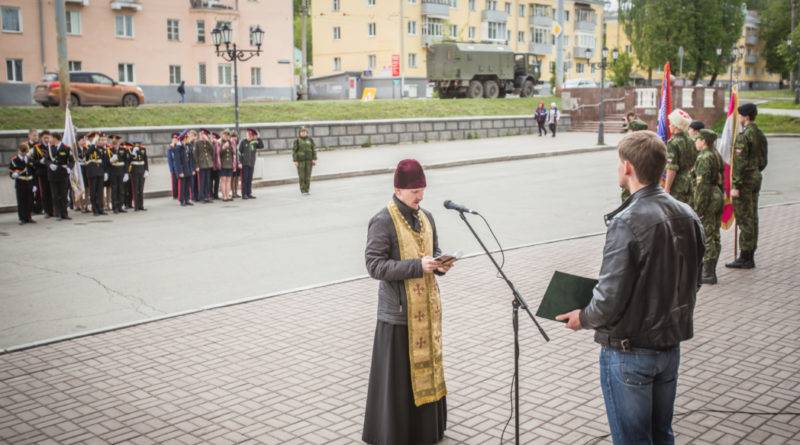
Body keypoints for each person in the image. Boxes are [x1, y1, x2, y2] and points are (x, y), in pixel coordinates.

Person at [556, 130, 704, 445]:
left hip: (630, 351)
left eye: (618, 162)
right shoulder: (688, 215)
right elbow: (693, 282)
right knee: (662, 435)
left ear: (628, 168)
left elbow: (609, 299)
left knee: (634, 440)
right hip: (669, 346)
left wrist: (582, 317)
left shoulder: (627, 221)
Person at [363, 159, 452, 445]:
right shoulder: (382, 220)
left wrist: (440, 264)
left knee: (429, 370)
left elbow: (432, 251)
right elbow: (375, 266)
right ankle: (396, 435)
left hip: (427, 311)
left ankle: (427, 431)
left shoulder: (426, 216)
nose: (420, 197)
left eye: (423, 190)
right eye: (415, 191)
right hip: (398, 316)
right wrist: (417, 266)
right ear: (398, 189)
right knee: (399, 383)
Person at [726, 103, 768, 269]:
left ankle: (745, 256)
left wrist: (736, 185)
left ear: (746, 116)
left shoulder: (744, 137)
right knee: (753, 216)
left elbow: (739, 163)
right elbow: (764, 159)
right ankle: (750, 253)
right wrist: (756, 170)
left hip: (744, 179)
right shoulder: (760, 134)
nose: (740, 118)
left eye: (741, 116)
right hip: (756, 176)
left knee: (744, 218)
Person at [692, 129, 725, 284]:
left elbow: (702, 186)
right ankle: (710, 269)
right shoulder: (715, 154)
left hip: (709, 197)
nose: (696, 142)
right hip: (717, 194)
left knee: (708, 234)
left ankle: (709, 273)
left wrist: (699, 209)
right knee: (714, 233)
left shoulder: (705, 157)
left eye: (698, 139)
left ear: (703, 141)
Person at [663, 109, 696, 205]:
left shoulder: (673, 143)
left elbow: (671, 168)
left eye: (671, 123)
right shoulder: (690, 141)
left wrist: (667, 189)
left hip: (677, 183)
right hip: (689, 180)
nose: (669, 125)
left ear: (675, 125)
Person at [46, 132, 75, 221]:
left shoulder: (66, 148)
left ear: (55, 138)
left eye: (51, 138)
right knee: (55, 195)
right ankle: (57, 213)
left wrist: (69, 168)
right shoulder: (50, 148)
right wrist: (50, 164)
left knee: (63, 194)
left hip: (63, 174)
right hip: (53, 174)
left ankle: (64, 213)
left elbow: (71, 161)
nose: (49, 140)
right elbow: (46, 159)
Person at [619, 119, 649, 202]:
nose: (628, 132)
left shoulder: (630, 147)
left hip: (633, 185)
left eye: (629, 130)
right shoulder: (650, 146)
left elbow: (622, 179)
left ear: (634, 131)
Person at [9, 142, 37, 225]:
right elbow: (11, 172)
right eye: (22, 152)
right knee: (21, 201)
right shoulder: (14, 160)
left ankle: (28, 217)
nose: (24, 154)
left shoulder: (30, 159)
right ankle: (22, 218)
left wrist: (34, 184)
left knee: (29, 200)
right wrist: (13, 175)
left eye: (25, 152)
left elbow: (34, 173)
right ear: (18, 151)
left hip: (29, 182)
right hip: (20, 182)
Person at [31, 130, 54, 218]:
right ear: (41, 138)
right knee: (44, 192)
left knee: (52, 191)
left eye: (48, 137)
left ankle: (52, 210)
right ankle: (46, 210)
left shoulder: (52, 146)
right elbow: (31, 160)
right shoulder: (37, 147)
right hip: (42, 172)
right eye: (45, 138)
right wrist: (39, 162)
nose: (47, 139)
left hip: (51, 172)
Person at [85, 132, 109, 216]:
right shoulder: (88, 147)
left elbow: (105, 161)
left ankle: (100, 208)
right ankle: (94, 209)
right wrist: (93, 145)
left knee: (100, 191)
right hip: (92, 171)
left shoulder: (102, 148)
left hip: (100, 171)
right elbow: (87, 155)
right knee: (93, 191)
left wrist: (105, 172)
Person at [106, 135, 130, 214]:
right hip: (113, 172)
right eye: (113, 143)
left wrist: (126, 172)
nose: (115, 144)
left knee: (121, 190)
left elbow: (126, 162)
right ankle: (115, 207)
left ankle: (120, 206)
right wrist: (110, 161)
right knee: (115, 190)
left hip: (121, 171)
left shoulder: (123, 150)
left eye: (116, 143)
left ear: (119, 143)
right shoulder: (109, 150)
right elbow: (107, 163)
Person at [238, 128, 263, 199]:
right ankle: (244, 194)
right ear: (246, 135)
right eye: (249, 135)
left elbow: (261, 146)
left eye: (251, 136)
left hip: (251, 163)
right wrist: (239, 162)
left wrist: (258, 138)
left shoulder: (254, 142)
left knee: (249, 179)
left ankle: (249, 193)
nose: (250, 137)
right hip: (244, 164)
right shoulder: (242, 142)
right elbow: (239, 152)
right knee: (244, 179)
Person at [292, 126, 317, 195]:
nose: (303, 133)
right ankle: (303, 190)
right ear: (299, 133)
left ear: (307, 132)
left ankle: (307, 190)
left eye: (304, 132)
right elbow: (294, 151)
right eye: (302, 132)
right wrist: (295, 161)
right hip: (301, 161)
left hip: (309, 160)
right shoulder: (297, 141)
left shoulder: (310, 140)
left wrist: (314, 159)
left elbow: (314, 149)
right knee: (302, 176)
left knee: (308, 176)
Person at [174, 130, 193, 206]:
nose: (189, 139)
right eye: (188, 137)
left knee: (188, 184)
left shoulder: (188, 146)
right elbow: (177, 161)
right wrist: (180, 172)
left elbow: (190, 158)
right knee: (182, 185)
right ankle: (182, 200)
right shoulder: (178, 148)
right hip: (182, 169)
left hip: (187, 168)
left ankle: (187, 199)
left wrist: (192, 168)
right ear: (184, 138)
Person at [128, 140, 149, 211]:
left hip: (142, 169)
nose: (138, 145)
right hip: (134, 170)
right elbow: (129, 160)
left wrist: (146, 170)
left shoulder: (143, 149)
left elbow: (145, 160)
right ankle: (136, 206)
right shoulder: (130, 150)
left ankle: (141, 205)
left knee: (141, 188)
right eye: (136, 144)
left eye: (139, 144)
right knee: (135, 189)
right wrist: (133, 153)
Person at [195, 129, 215, 203]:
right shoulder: (197, 143)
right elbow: (196, 155)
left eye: (204, 135)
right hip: (201, 165)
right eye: (202, 135)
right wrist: (197, 166)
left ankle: (207, 196)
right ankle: (202, 197)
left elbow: (212, 150)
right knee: (202, 182)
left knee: (208, 181)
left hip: (208, 164)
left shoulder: (208, 143)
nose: (203, 136)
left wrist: (208, 141)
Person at [219, 129, 235, 201]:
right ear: (222, 135)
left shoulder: (231, 143)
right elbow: (217, 155)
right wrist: (223, 148)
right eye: (225, 135)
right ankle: (224, 196)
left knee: (228, 180)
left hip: (229, 164)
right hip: (222, 164)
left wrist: (234, 165)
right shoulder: (219, 143)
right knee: (223, 180)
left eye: (228, 135)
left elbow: (233, 154)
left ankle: (228, 195)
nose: (226, 137)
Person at [168, 132, 180, 200]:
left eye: (176, 139)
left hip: (179, 167)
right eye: (174, 139)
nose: (175, 140)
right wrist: (171, 169)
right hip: (174, 167)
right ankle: (175, 194)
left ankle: (179, 193)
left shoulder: (179, 146)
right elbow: (170, 159)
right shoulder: (170, 148)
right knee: (174, 182)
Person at [211, 132, 222, 200]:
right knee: (210, 181)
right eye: (212, 138)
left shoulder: (219, 145)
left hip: (217, 165)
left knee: (217, 181)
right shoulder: (210, 145)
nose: (213, 139)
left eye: (214, 138)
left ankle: (216, 194)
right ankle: (211, 194)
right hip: (211, 165)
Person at [230, 131, 241, 198]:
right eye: (233, 137)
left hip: (238, 163)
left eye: (235, 137)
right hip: (232, 163)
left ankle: (236, 192)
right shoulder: (230, 144)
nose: (234, 138)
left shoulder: (238, 144)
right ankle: (233, 192)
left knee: (237, 178)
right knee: (233, 178)